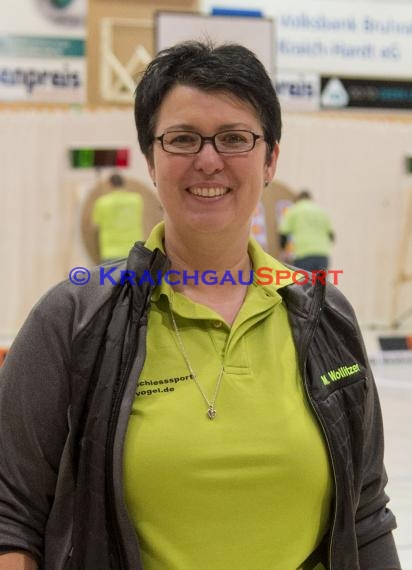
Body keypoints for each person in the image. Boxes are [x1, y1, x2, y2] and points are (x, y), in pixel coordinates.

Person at [0, 41, 400, 570]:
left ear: (270, 159)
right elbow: (12, 516)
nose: (208, 160)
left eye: (234, 138)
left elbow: (366, 515)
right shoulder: (73, 318)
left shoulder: (327, 317)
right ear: (150, 160)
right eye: (183, 139)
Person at [92, 172, 144, 262]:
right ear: (123, 183)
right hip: (133, 250)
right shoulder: (136, 200)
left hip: (110, 251)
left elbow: (96, 225)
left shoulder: (102, 202)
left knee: (111, 276)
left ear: (109, 184)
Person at [279, 190, 334, 272]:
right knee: (321, 283)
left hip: (303, 254)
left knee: (305, 283)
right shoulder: (321, 211)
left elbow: (284, 233)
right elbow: (331, 236)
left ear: (298, 199)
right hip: (322, 255)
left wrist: (283, 250)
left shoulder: (294, 210)